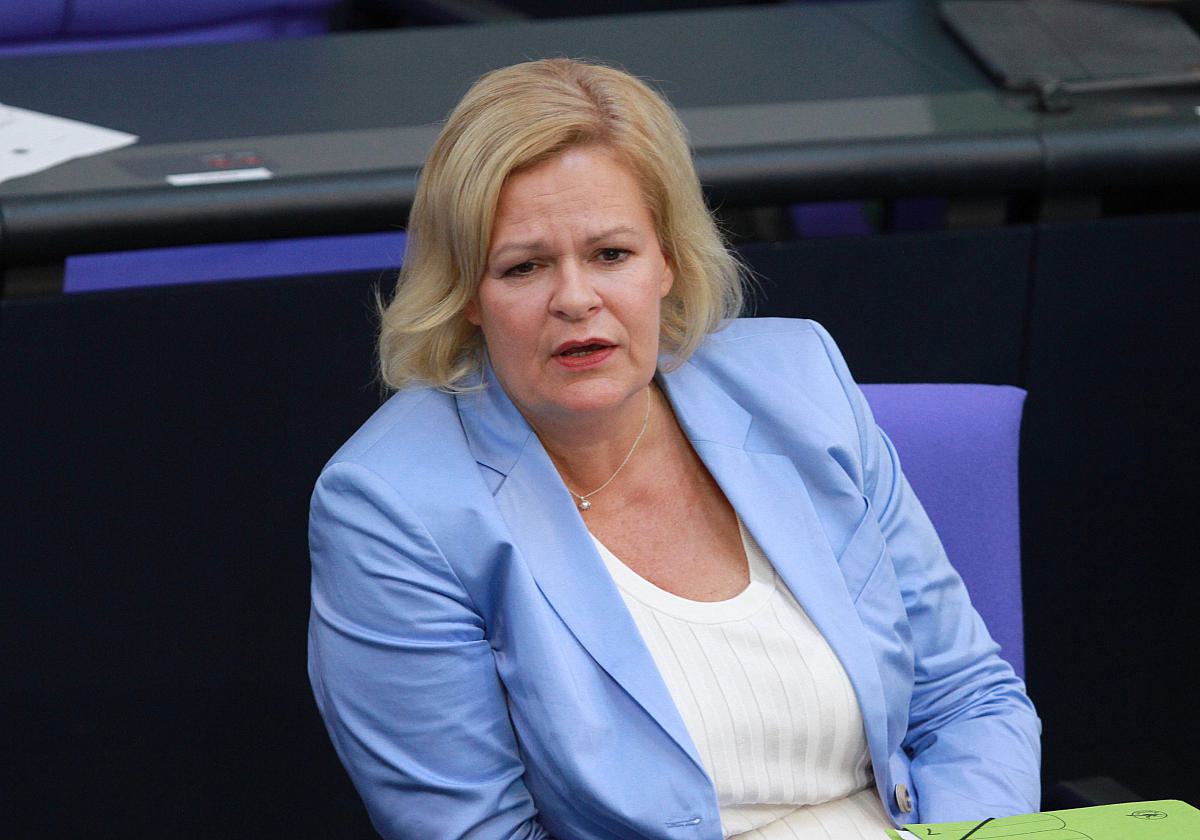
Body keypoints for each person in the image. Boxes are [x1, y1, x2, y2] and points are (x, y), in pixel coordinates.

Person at [307, 58, 1040, 840]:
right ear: (468, 296)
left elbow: (968, 702)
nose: (576, 298)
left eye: (611, 254)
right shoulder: (393, 507)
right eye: (524, 267)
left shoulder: (802, 383)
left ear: (668, 260)